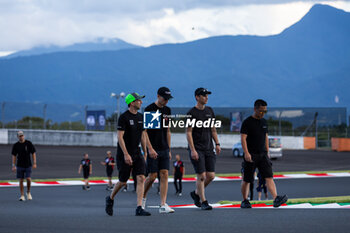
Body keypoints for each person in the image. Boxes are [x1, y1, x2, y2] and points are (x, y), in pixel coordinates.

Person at [105, 92, 151, 216]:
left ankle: (139, 207)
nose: (141, 102)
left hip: (137, 153)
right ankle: (110, 198)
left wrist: (145, 151)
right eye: (138, 100)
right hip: (124, 154)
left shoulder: (141, 117)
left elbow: (143, 134)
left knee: (141, 177)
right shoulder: (123, 117)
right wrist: (126, 154)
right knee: (123, 181)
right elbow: (120, 137)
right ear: (132, 103)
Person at [240, 99, 288, 208]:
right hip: (251, 155)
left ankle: (275, 199)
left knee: (269, 176)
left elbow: (265, 137)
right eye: (261, 111)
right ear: (255, 109)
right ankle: (244, 200)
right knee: (247, 179)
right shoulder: (247, 122)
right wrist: (246, 153)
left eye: (265, 111)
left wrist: (267, 152)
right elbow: (243, 139)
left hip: (263, 155)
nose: (262, 113)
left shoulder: (264, 122)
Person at [186, 87, 221, 210]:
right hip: (197, 149)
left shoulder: (210, 111)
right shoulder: (191, 113)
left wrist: (217, 143)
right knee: (201, 175)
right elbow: (189, 132)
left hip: (208, 148)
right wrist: (193, 150)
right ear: (197, 97)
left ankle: (196, 194)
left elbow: (213, 129)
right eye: (204, 95)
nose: (206, 97)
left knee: (210, 176)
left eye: (207, 95)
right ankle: (204, 201)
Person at [142, 87, 175, 214]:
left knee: (165, 174)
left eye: (168, 99)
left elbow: (167, 131)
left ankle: (163, 204)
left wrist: (169, 149)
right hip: (153, 148)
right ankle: (143, 198)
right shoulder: (150, 109)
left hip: (164, 148)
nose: (166, 101)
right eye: (164, 98)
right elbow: (145, 132)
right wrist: (149, 148)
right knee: (152, 176)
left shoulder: (167, 110)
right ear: (158, 96)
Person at [11, 131, 37, 201]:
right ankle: (22, 195)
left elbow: (33, 153)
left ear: (24, 136)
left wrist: (34, 163)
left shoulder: (28, 143)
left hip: (28, 164)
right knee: (21, 180)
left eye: (22, 135)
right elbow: (14, 155)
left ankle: (28, 192)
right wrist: (13, 165)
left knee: (28, 178)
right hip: (20, 165)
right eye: (20, 136)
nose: (21, 137)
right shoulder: (16, 145)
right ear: (18, 137)